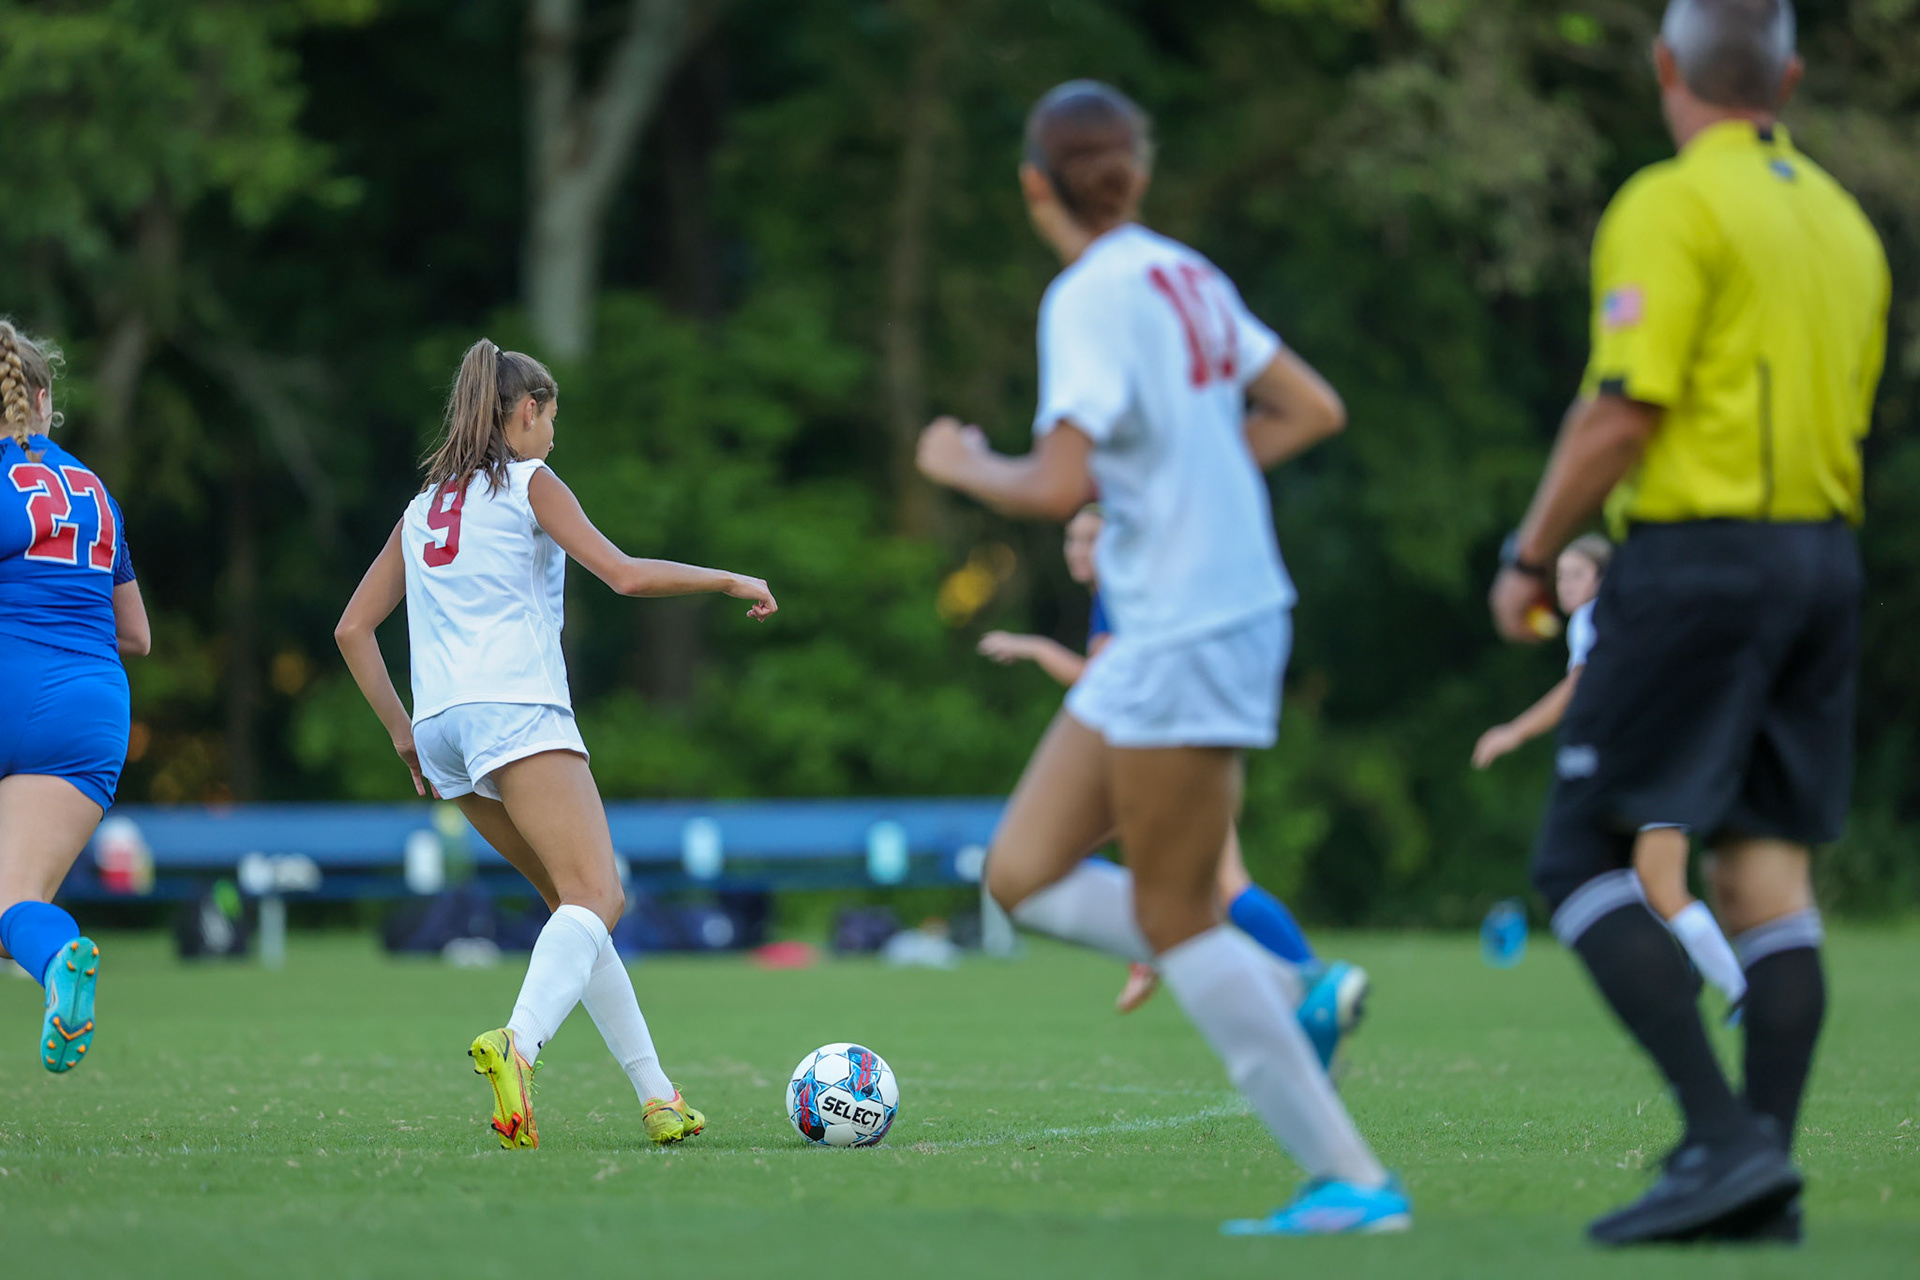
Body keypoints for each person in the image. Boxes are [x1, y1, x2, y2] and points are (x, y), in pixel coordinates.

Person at [919, 80, 1407, 1236]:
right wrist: (1192, 480)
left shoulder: (1089, 293)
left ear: (1036, 185)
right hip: (1191, 619)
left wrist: (959, 461)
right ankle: (1285, 984)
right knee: (1020, 871)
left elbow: (1054, 483)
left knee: (1176, 911)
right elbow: (1311, 408)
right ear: (1135, 174)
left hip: (1191, 622)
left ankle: (1350, 1178)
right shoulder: (1188, 273)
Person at [1488, 0, 1889, 1246]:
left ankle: (1721, 1137)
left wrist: (1532, 551)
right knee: (1764, 872)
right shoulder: (1843, 221)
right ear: (1790, 78)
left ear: (1665, 66)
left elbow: (1626, 407)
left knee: (1579, 853)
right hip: (1824, 557)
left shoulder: (1670, 202)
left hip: (1705, 557)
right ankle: (1761, 1179)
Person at [335, 339, 777, 1150]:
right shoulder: (529, 481)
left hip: (442, 729)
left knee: (575, 909)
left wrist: (403, 734)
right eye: (551, 417)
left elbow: (352, 628)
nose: (552, 435)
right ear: (527, 410)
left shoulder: (423, 506)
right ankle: (520, 1044)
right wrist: (727, 579)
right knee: (600, 897)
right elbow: (624, 574)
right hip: (515, 709)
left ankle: (658, 1097)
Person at [981, 506, 1368, 1059]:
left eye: (1091, 538)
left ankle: (1296, 983)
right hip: (1182, 740)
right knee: (1221, 885)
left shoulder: (1119, 594)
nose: (1078, 550)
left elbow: (1100, 680)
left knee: (1045, 862)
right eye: (1071, 539)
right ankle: (1305, 987)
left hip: (1161, 753)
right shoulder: (1129, 591)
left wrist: (1036, 649)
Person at [1476, 536, 1748, 1016]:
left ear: (1603, 580)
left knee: (1657, 886)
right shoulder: (1630, 619)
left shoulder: (1592, 618)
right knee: (1632, 883)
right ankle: (1684, 969)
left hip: (1658, 763)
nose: (1565, 585)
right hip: (1667, 757)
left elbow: (1577, 689)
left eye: (1577, 575)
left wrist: (1514, 731)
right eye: (1561, 575)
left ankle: (1740, 990)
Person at [0, 319, 150, 1073]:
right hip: (90, 704)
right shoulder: (94, 490)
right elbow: (137, 634)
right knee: (14, 901)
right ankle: (58, 954)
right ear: (42, 400)